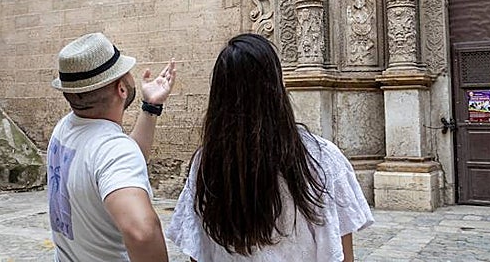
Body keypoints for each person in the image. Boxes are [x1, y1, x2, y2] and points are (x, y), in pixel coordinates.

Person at [167, 34, 373, 262]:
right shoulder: (323, 158)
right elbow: (343, 255)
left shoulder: (206, 163)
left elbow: (197, 253)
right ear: (277, 87)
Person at [47, 32, 178, 262]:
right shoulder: (112, 150)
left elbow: (117, 163)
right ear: (122, 89)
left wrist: (151, 107)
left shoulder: (65, 128)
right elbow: (143, 232)